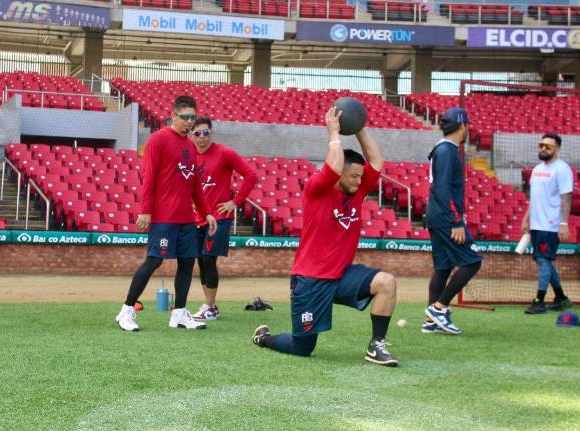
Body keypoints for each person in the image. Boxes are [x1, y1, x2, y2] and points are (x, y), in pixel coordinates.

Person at [252, 107, 399, 367]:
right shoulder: (317, 190)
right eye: (353, 176)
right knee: (302, 348)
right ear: (340, 173)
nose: (358, 182)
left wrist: (358, 126)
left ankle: (376, 346)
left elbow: (376, 163)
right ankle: (264, 339)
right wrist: (333, 133)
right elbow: (331, 166)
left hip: (341, 277)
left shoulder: (356, 191)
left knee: (386, 282)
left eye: (359, 178)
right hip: (310, 280)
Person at [115, 96, 218, 332]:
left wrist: (207, 213)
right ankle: (126, 310)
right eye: (185, 117)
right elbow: (148, 177)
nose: (189, 122)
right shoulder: (158, 140)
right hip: (163, 216)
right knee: (154, 260)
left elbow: (194, 184)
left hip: (186, 219)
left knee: (187, 263)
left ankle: (180, 314)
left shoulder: (191, 146)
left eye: (192, 117)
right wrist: (146, 211)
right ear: (173, 115)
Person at [188, 116, 257, 321]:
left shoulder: (224, 153)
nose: (202, 137)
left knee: (209, 259)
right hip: (196, 218)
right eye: (197, 133)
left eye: (205, 132)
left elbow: (251, 175)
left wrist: (235, 202)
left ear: (211, 132)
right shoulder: (189, 155)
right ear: (192, 135)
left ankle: (209, 307)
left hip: (218, 218)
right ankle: (211, 306)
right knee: (201, 260)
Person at [422, 107, 482, 335]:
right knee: (472, 261)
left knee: (443, 266)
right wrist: (456, 221)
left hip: (437, 215)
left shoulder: (443, 149)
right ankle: (439, 309)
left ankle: (431, 321)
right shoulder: (448, 151)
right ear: (463, 126)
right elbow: (442, 188)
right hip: (447, 217)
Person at [521, 133, 574, 314]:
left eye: (548, 146)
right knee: (545, 262)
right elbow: (534, 198)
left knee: (544, 261)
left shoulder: (562, 169)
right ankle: (561, 298)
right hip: (537, 224)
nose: (543, 149)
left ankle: (539, 301)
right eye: (541, 145)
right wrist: (526, 217)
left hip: (550, 225)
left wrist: (564, 223)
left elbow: (566, 197)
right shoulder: (537, 169)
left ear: (557, 149)